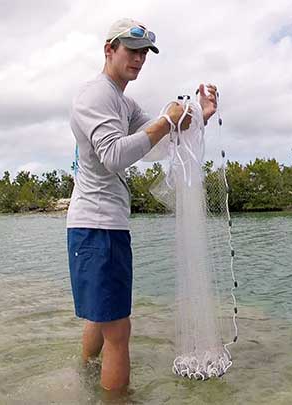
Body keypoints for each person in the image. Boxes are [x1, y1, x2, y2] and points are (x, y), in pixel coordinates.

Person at [66, 18, 217, 392]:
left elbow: (157, 145)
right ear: (109, 50)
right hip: (98, 226)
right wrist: (165, 120)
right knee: (119, 328)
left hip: (101, 225)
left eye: (144, 53)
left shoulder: (122, 100)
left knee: (102, 318)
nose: (138, 59)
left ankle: (83, 378)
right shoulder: (95, 96)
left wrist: (200, 116)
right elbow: (115, 154)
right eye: (131, 50)